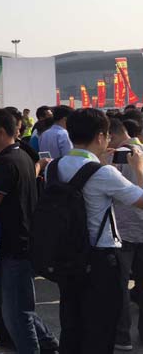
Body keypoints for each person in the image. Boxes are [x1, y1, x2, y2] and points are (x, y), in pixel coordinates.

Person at [0, 109, 58, 353]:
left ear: (0, 132)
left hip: (16, 246)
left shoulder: (7, 162)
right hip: (16, 241)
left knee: (17, 315)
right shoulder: (22, 156)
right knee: (8, 302)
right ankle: (48, 341)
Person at [107, 117, 143, 350]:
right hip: (136, 230)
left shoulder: (113, 158)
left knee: (119, 287)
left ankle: (122, 337)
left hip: (121, 231)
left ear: (111, 135)